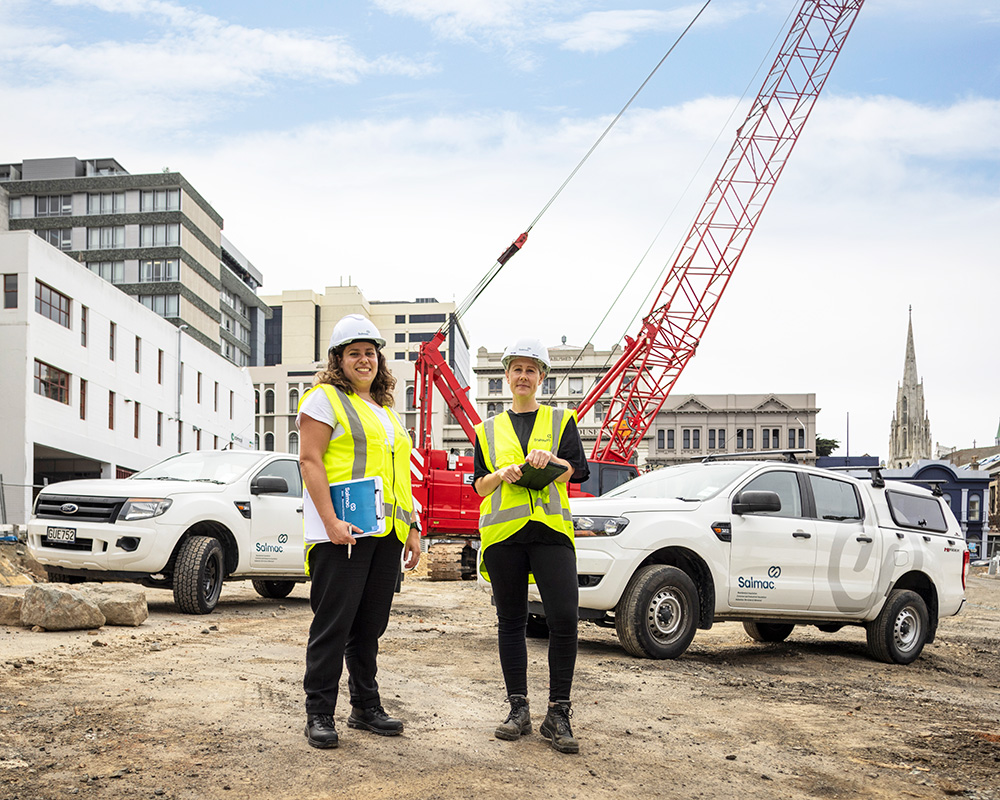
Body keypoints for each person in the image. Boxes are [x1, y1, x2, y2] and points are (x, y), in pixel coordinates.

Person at [297, 313, 421, 749]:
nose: (364, 360)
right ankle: (319, 713)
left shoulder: (386, 411)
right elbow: (310, 461)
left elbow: (398, 474)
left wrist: (412, 527)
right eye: (355, 353)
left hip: (385, 533)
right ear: (338, 359)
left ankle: (365, 707)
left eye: (370, 352)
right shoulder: (323, 399)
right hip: (342, 533)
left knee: (370, 625)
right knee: (334, 623)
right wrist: (330, 521)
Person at [473, 337, 590, 754]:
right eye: (516, 370)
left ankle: (558, 712)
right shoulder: (487, 430)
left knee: (564, 618)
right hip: (505, 538)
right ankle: (518, 708)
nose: (523, 376)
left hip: (550, 533)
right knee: (511, 621)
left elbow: (578, 473)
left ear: (542, 377)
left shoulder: (561, 421)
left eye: (531, 370)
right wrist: (500, 474)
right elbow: (479, 485)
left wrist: (551, 461)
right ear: (506, 377)